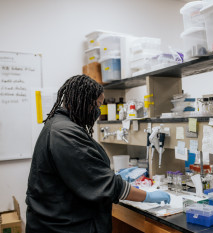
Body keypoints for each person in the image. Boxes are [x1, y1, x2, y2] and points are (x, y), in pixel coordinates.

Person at [26, 75, 170, 233]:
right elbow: (105, 186)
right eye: (98, 105)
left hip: (60, 220)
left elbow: (83, 171)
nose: (98, 111)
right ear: (85, 102)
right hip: (62, 226)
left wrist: (113, 175)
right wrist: (147, 196)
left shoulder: (60, 125)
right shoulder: (65, 133)